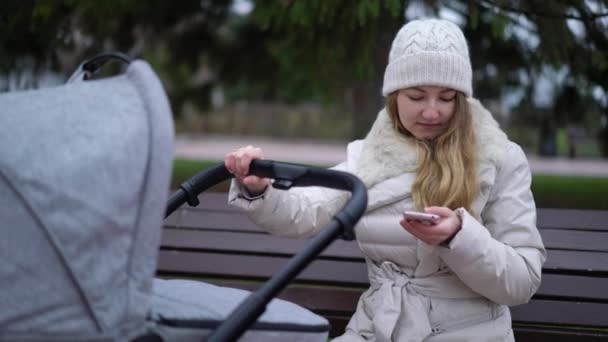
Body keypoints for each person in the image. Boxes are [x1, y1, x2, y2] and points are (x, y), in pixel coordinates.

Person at [224, 18, 546, 342]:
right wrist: (258, 187)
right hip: (377, 330)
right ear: (394, 96)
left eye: (446, 97)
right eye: (417, 96)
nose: (432, 112)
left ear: (461, 99)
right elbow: (303, 212)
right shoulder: (369, 157)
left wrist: (458, 237)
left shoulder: (500, 158)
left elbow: (522, 280)